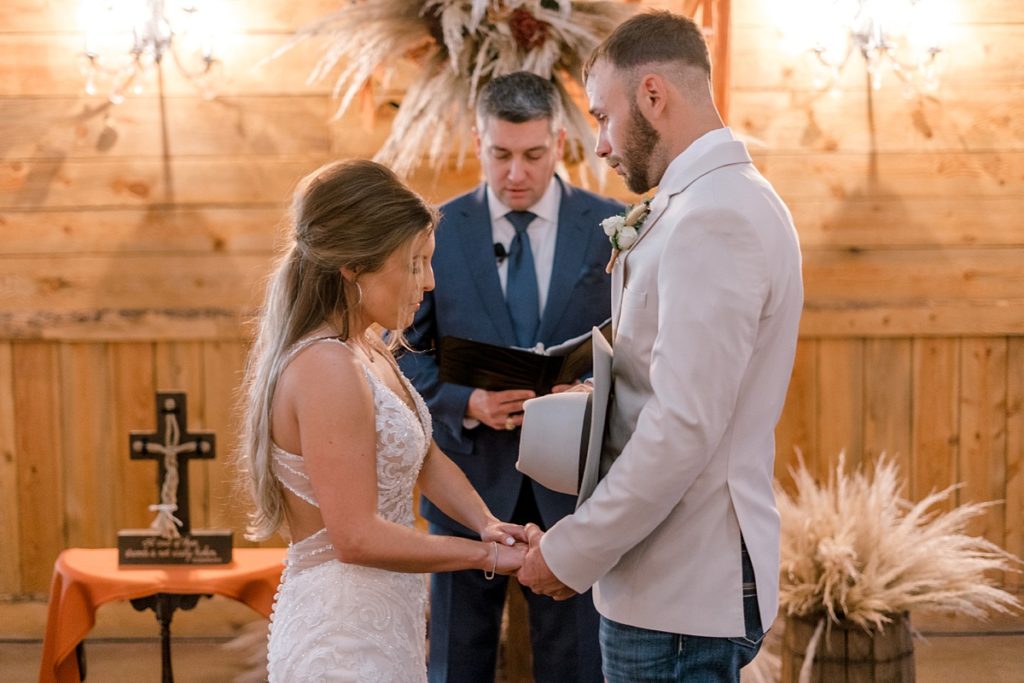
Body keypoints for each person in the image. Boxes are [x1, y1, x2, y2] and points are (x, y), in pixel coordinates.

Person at [516, 11, 804, 683]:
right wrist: (603, 396)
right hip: (675, 587)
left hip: (679, 593)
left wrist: (572, 550)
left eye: (603, 117)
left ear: (653, 95)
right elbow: (685, 389)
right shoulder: (709, 200)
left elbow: (683, 427)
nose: (601, 145)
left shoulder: (716, 217)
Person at [238, 159, 528, 682]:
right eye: (415, 263)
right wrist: (484, 555)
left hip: (383, 616)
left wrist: (489, 523)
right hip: (343, 631)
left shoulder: (366, 348)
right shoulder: (327, 366)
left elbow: (424, 455)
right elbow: (356, 536)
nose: (430, 281)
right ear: (353, 265)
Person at [398, 71, 621, 683]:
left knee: (576, 666)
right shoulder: (437, 231)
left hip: (574, 492)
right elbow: (403, 352)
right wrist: (467, 401)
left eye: (532, 155)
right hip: (466, 482)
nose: (516, 173)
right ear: (478, 142)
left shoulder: (614, 226)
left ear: (560, 143)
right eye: (500, 155)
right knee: (454, 662)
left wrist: (587, 393)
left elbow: (636, 349)